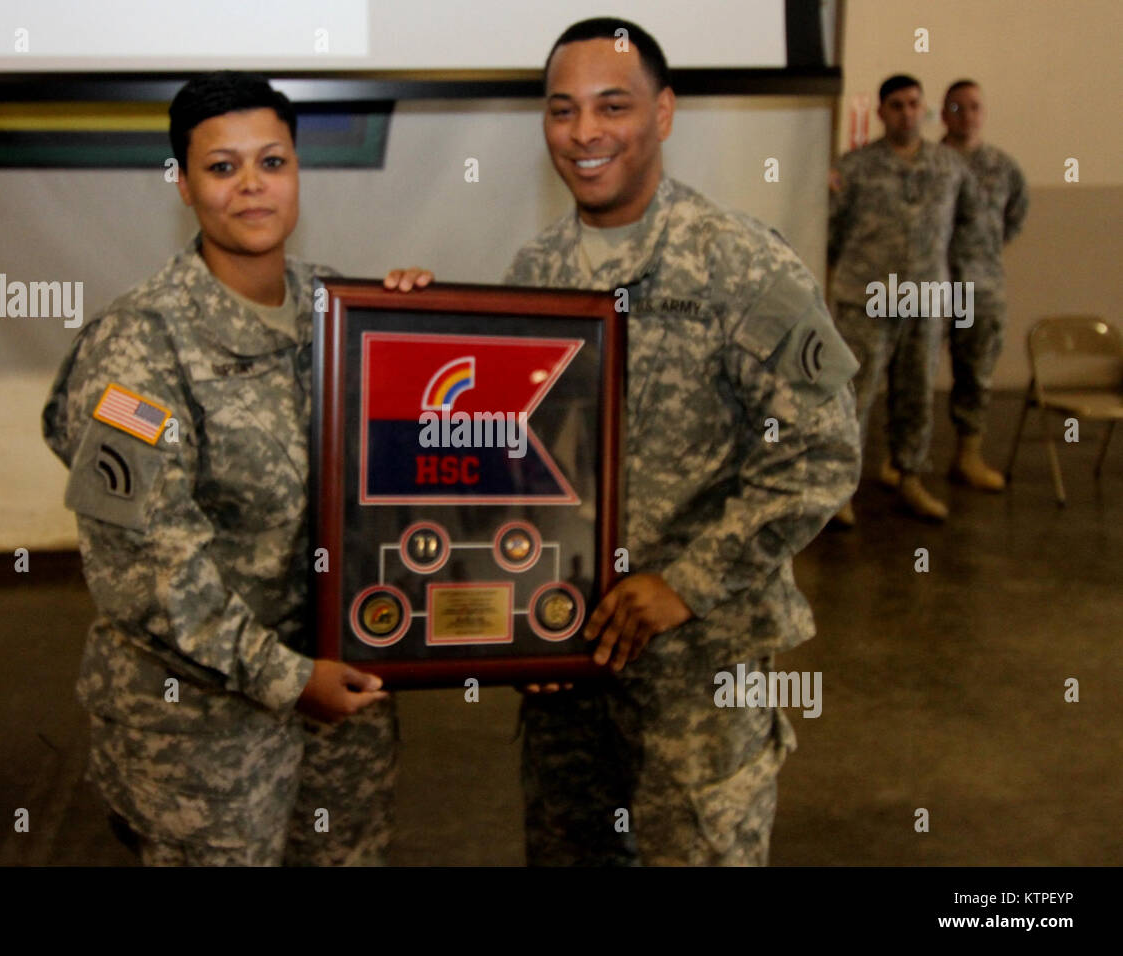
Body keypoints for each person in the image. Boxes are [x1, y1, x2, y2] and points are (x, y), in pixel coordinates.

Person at [42, 72, 429, 865]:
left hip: (344, 711)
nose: (252, 187)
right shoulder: (135, 346)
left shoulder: (345, 313)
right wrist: (289, 679)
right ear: (183, 185)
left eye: (273, 162)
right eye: (223, 168)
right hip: (201, 738)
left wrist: (421, 330)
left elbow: (415, 473)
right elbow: (143, 570)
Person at [504, 18, 862, 865]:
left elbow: (822, 450)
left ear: (663, 113)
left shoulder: (743, 265)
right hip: (566, 660)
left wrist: (686, 583)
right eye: (563, 110)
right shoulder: (531, 275)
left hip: (700, 668)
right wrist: (510, 620)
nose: (585, 133)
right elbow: (508, 464)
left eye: (612, 106)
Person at [828, 74, 980, 523]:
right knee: (855, 395)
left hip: (925, 295)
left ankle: (910, 475)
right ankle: (840, 492)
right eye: (896, 105)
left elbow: (969, 226)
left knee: (916, 392)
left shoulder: (949, 166)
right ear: (881, 112)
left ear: (924, 109)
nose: (906, 112)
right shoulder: (854, 167)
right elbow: (832, 230)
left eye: (914, 103)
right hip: (868, 293)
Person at [940, 79, 1029, 490]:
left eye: (974, 107)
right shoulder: (930, 162)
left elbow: (1013, 220)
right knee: (911, 374)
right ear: (943, 115)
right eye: (957, 108)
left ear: (984, 112)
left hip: (981, 287)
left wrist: (978, 259)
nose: (966, 116)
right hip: (929, 286)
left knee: (976, 375)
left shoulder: (1003, 167)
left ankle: (968, 456)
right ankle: (901, 461)